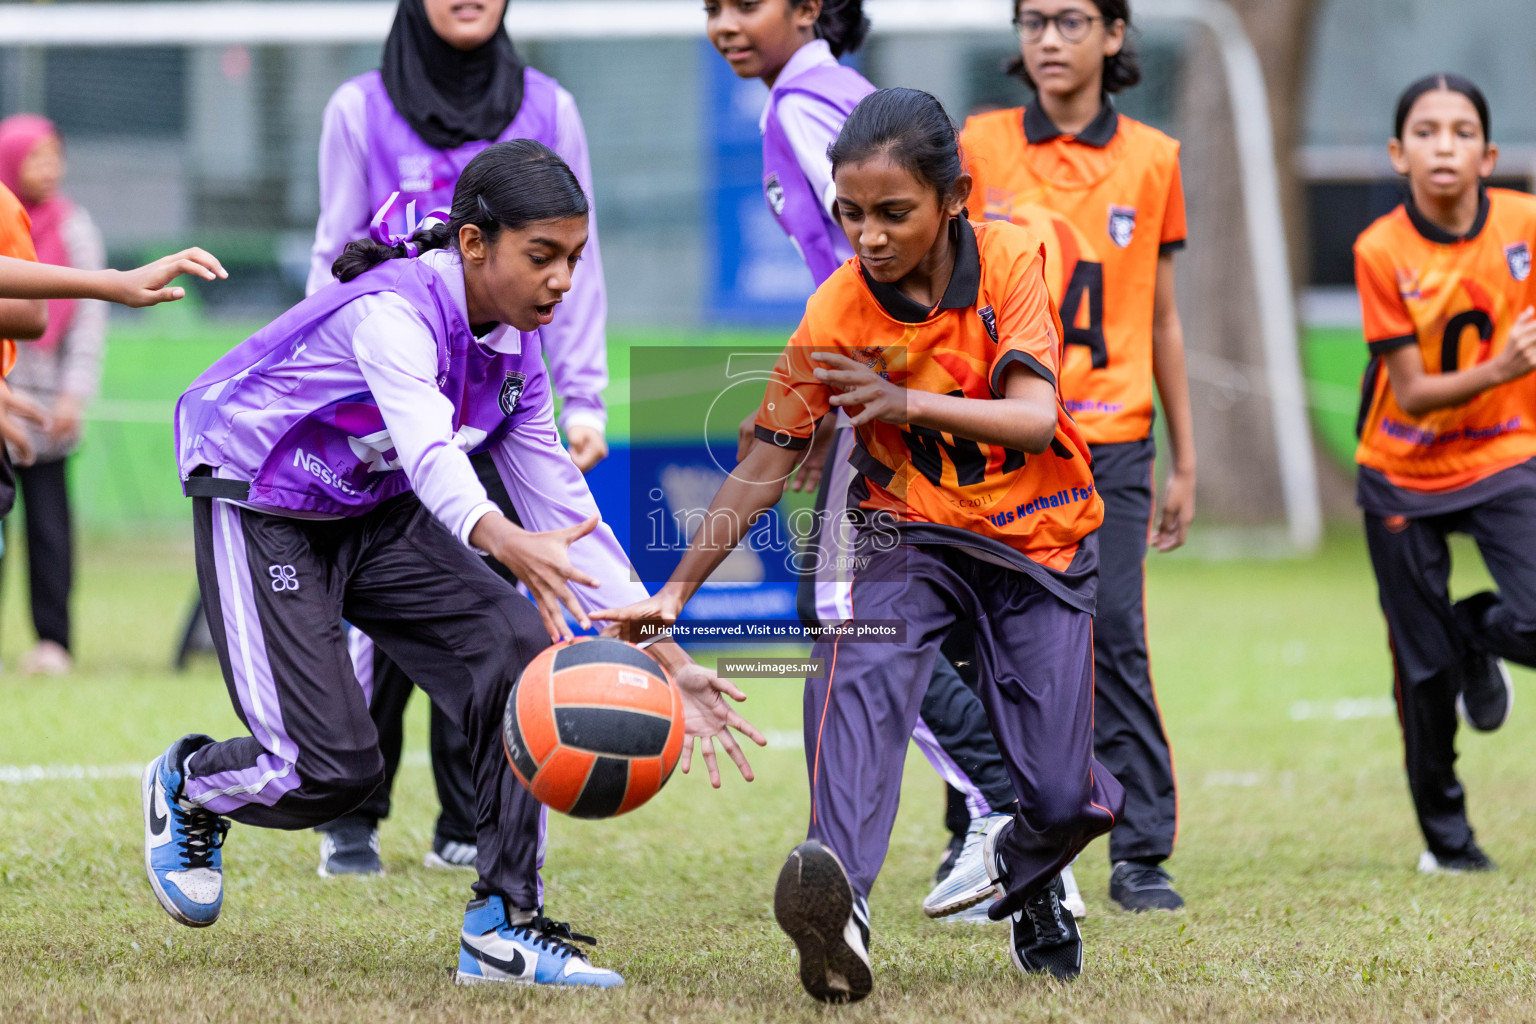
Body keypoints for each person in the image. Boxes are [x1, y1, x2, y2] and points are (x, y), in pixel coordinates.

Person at [142, 141, 762, 987]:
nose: (563, 282)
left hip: (369, 507)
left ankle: (502, 926)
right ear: (475, 244)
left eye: (575, 259)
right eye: (542, 257)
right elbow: (432, 455)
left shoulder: (517, 354)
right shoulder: (389, 313)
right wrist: (497, 537)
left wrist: (670, 657)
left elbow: (568, 518)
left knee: (515, 650)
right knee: (329, 770)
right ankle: (189, 784)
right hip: (261, 499)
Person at [596, 89, 1124, 996]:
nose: (867, 235)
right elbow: (766, 459)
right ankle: (839, 899)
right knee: (859, 665)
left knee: (1061, 797)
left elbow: (1036, 422)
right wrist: (672, 594)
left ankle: (1028, 862)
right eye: (849, 213)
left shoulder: (1007, 263)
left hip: (1036, 535)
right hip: (904, 530)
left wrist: (904, 402)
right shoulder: (837, 313)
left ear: (953, 197)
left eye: (893, 212)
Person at [707, 0, 1028, 923]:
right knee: (894, 614)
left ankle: (1002, 808)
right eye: (711, 7)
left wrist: (818, 407)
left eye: (746, 3)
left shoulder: (808, 109)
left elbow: (875, 263)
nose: (726, 22)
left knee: (849, 616)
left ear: (807, 10)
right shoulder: (838, 95)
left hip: (892, 385)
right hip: (907, 381)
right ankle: (1005, 818)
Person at [306, 0, 615, 876]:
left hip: (504, 392)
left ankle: (470, 822)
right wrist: (329, 397)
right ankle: (352, 817)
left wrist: (582, 395)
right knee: (384, 613)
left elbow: (584, 267)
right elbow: (333, 250)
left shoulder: (549, 104)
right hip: (392, 394)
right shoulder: (358, 108)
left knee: (495, 606)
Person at [959, 0, 1196, 913]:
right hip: (998, 441)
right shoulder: (978, 146)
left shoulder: (1155, 156)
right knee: (987, 632)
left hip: (1112, 440)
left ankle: (1140, 853)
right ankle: (979, 831)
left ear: (1114, 34)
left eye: (1070, 20)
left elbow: (1163, 317)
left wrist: (1186, 459)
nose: (1048, 40)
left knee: (1114, 635)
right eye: (1032, 21)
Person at [1352, 74, 1536, 874]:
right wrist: (1503, 366)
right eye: (1425, 132)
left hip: (1504, 456)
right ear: (1399, 153)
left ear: (1488, 155)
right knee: (1420, 672)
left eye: (1462, 132)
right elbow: (1419, 391)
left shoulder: (1527, 225)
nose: (1444, 146)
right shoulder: (1380, 249)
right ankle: (1450, 843)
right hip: (1403, 469)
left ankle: (1471, 633)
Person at [0, 114, 107, 676]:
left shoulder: (73, 226)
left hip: (49, 412)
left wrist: (73, 396)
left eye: (55, 155)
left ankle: (53, 641)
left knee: (49, 529)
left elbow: (87, 319)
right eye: (36, 156)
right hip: (2, 404)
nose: (49, 168)